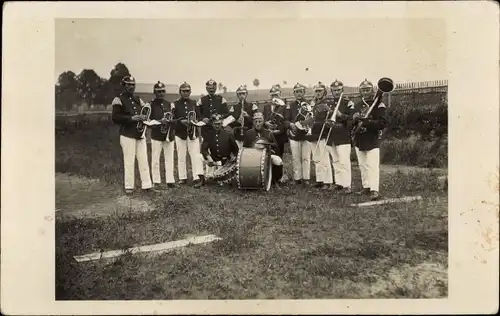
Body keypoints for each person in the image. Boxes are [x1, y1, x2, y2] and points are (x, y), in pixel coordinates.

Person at [111, 75, 154, 195]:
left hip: (140, 133)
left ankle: (147, 185)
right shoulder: (118, 99)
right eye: (128, 84)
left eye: (133, 84)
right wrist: (131, 118)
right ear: (124, 86)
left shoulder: (138, 99)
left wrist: (145, 117)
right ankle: (129, 187)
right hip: (127, 134)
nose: (131, 87)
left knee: (144, 159)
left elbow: (145, 112)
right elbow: (115, 118)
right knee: (129, 161)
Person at [352, 79, 388, 200]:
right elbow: (352, 122)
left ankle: (374, 190)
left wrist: (367, 122)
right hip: (359, 138)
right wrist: (355, 119)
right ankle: (366, 187)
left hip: (372, 138)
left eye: (368, 90)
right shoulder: (357, 105)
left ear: (372, 90)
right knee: (362, 165)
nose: (366, 92)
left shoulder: (379, 104)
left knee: (372, 165)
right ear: (360, 91)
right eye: (363, 90)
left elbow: (382, 123)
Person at [171, 82, 205, 188]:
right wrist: (181, 121)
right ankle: (182, 177)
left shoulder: (194, 103)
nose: (186, 93)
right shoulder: (175, 104)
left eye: (187, 91)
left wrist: (195, 120)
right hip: (180, 133)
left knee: (194, 155)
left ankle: (196, 176)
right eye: (183, 91)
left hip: (192, 133)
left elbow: (199, 116)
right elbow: (173, 119)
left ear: (190, 92)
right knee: (181, 155)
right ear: (180, 92)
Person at [324, 80, 355, 194]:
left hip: (343, 136)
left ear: (342, 90)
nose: (336, 92)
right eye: (334, 90)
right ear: (331, 91)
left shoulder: (348, 103)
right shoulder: (330, 104)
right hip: (332, 136)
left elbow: (351, 120)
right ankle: (339, 183)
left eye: (338, 90)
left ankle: (347, 185)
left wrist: (340, 115)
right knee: (335, 161)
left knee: (344, 162)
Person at [196, 79, 230, 178]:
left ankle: (219, 173)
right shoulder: (202, 100)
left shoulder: (221, 99)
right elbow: (198, 114)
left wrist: (220, 116)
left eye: (213, 88)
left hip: (218, 129)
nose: (211, 90)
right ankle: (209, 174)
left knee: (218, 150)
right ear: (206, 88)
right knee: (207, 151)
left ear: (216, 88)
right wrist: (203, 118)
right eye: (209, 88)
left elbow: (227, 113)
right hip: (206, 130)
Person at [243, 112, 284, 188]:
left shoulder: (268, 133)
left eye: (260, 121)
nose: (258, 124)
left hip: (267, 156)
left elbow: (276, 146)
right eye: (256, 122)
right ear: (253, 122)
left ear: (263, 122)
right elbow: (244, 148)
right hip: (253, 157)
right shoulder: (248, 133)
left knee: (278, 160)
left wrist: (267, 144)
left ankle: (275, 180)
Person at [149, 81, 177, 188]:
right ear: (154, 92)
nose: (161, 93)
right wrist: (160, 121)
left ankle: (170, 181)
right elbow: (149, 121)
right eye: (158, 91)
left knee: (169, 158)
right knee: (155, 158)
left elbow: (174, 118)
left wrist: (171, 122)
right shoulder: (151, 104)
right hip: (157, 135)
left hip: (169, 135)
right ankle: (156, 181)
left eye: (163, 91)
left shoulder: (169, 104)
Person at [284, 82, 312, 186]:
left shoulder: (309, 104)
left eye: (300, 91)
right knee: (296, 157)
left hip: (305, 134)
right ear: (294, 93)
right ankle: (297, 178)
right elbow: (285, 120)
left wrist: (305, 124)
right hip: (294, 134)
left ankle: (306, 178)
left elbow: (312, 118)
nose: (299, 94)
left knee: (306, 157)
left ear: (304, 92)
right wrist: (291, 125)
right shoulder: (290, 105)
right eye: (296, 92)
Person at [308, 82, 334, 189]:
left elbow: (328, 119)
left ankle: (328, 181)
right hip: (313, 133)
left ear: (324, 92)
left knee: (324, 158)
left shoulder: (327, 103)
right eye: (316, 91)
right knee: (316, 157)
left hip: (322, 133)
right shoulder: (312, 103)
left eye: (320, 91)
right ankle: (320, 180)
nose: (318, 93)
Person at [263, 85, 288, 183]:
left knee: (279, 155)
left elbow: (286, 120)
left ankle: (279, 177)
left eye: (276, 95)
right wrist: (266, 123)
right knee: (268, 155)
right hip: (268, 135)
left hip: (279, 135)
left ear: (280, 95)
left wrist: (280, 130)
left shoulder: (284, 106)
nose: (275, 97)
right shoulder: (266, 106)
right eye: (273, 95)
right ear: (270, 96)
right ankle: (269, 176)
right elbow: (263, 118)